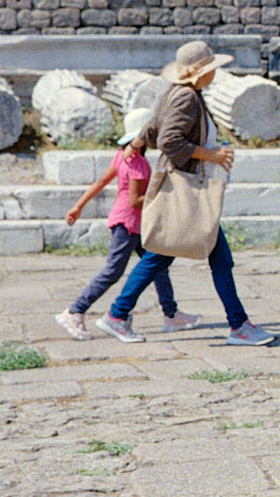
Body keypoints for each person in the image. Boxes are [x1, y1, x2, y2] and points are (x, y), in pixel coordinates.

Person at [100, 40, 275, 347]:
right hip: (185, 189)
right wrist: (214, 156)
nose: (215, 74)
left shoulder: (179, 94)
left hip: (184, 187)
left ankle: (119, 314)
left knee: (174, 257)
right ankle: (237, 325)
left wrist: (137, 143)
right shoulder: (187, 99)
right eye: (212, 69)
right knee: (178, 257)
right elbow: (169, 140)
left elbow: (153, 128)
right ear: (200, 73)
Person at [54, 107, 199, 341]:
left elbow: (102, 180)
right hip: (129, 224)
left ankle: (171, 314)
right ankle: (74, 311)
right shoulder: (138, 164)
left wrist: (79, 205)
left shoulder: (122, 156)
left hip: (134, 224)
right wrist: (165, 195)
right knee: (113, 271)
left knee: (158, 266)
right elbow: (135, 201)